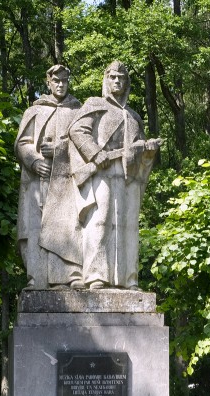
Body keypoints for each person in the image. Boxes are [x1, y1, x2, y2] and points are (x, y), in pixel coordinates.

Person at [53, 61, 161, 289]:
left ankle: (127, 279)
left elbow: (137, 147)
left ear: (127, 82)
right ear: (106, 79)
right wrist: (94, 153)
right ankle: (96, 276)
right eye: (112, 77)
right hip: (101, 172)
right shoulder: (95, 104)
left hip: (125, 176)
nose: (117, 81)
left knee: (126, 225)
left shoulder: (133, 117)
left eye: (121, 77)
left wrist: (148, 149)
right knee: (100, 221)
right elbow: (77, 130)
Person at [14, 65, 82, 288]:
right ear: (48, 83)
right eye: (56, 81)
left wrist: (60, 152)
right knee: (36, 228)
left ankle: (69, 275)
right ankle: (38, 278)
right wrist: (34, 161)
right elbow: (22, 143)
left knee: (68, 226)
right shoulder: (35, 111)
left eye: (64, 81)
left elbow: (84, 145)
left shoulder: (77, 112)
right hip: (37, 183)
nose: (61, 85)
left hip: (66, 183)